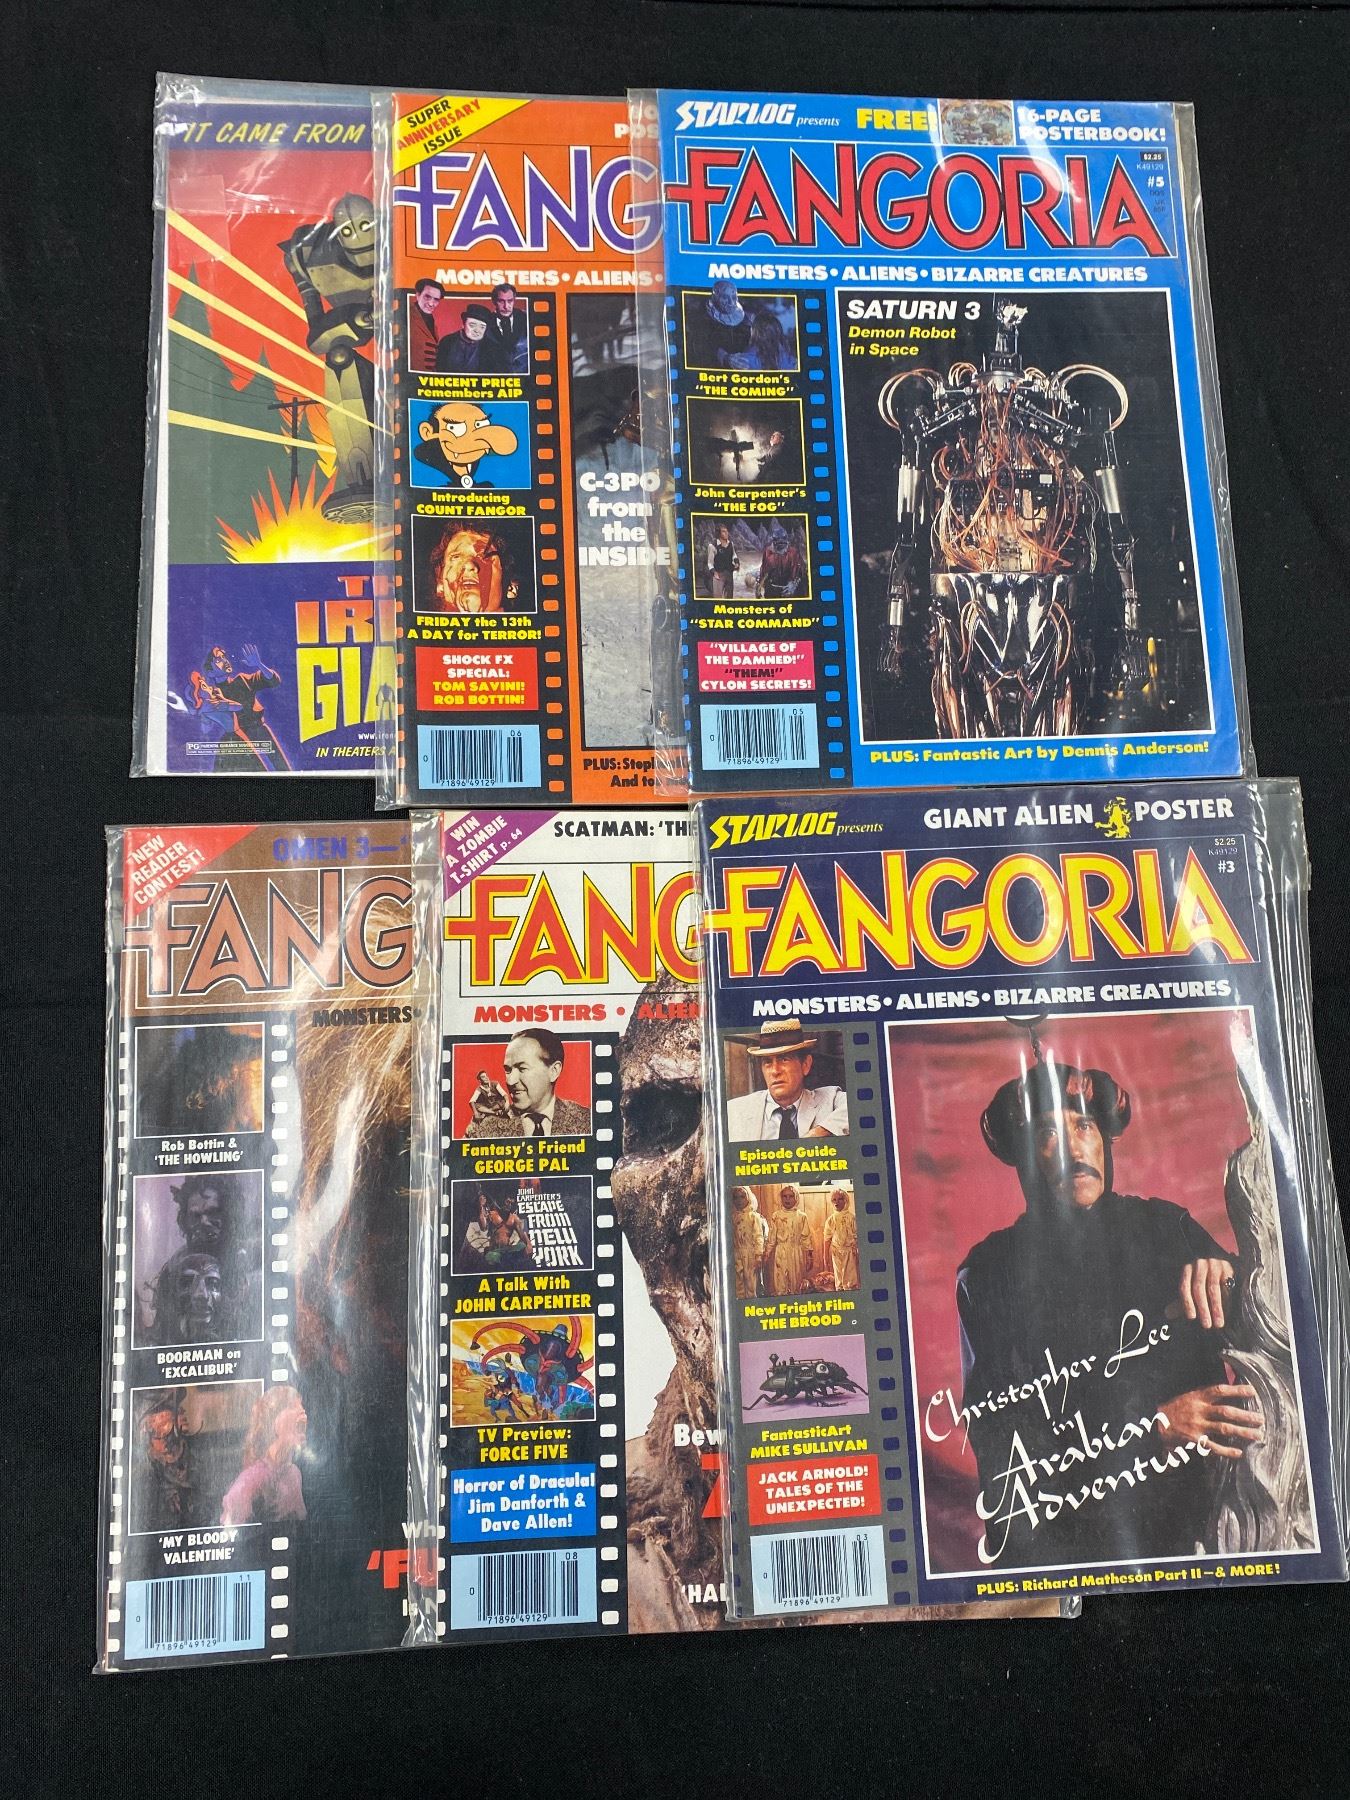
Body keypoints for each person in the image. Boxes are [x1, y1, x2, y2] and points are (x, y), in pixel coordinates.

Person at [954, 1054, 1262, 1569]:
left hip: (1209, 1533)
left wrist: (1230, 1275)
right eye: (1049, 1132)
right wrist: (1150, 1429)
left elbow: (1274, 1326)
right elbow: (1008, 1454)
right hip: (1079, 1553)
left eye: (1084, 1126)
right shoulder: (989, 1275)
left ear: (1105, 1139)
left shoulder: (1167, 1228)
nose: (1074, 1149)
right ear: (1023, 1155)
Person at [725, 1019, 848, 1141]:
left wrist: (818, 1133)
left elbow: (856, 1105)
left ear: (805, 1065)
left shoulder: (830, 1100)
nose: (775, 1071)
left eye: (784, 1059)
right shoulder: (734, 1111)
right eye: (767, 1062)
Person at [463, 1029, 591, 1139]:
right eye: (508, 1070)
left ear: (553, 1071)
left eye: (522, 1068)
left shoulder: (587, 1121)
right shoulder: (483, 1126)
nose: (510, 1081)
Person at [188, 644, 290, 773]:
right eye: (218, 660)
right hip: (238, 737)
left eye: (224, 657)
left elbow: (274, 681)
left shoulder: (241, 680)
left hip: (259, 729)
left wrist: (259, 664)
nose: (225, 660)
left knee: (282, 767)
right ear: (210, 672)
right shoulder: (212, 695)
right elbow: (206, 728)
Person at [220, 1387, 308, 1526]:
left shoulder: (294, 1474)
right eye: (292, 1406)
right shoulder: (251, 1480)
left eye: (301, 1405)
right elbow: (230, 1531)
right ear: (273, 1421)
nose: (302, 1410)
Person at [414, 400, 519, 488]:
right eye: (453, 427)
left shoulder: (490, 469)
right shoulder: (425, 471)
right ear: (428, 432)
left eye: (480, 425)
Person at [764, 1186, 813, 1295]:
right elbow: (772, 1238)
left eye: (791, 1196)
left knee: (796, 1281)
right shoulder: (776, 1216)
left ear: (796, 1198)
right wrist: (767, 1253)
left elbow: (806, 1237)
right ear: (781, 1198)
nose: (787, 1199)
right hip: (781, 1252)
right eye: (784, 1196)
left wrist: (809, 1256)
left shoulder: (801, 1216)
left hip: (796, 1252)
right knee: (780, 1281)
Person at [435, 302, 504, 374]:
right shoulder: (447, 342)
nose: (477, 330)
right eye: (472, 325)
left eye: (482, 327)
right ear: (463, 324)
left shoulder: (491, 348)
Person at [731, 1185, 770, 1299]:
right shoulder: (733, 1217)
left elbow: (759, 1237)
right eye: (736, 1197)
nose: (739, 1200)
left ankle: (752, 1302)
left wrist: (758, 1256)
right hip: (737, 1253)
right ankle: (741, 1303)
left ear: (749, 1198)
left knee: (751, 1282)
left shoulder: (753, 1216)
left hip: (750, 1254)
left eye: (742, 1197)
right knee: (738, 1283)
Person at [755, 523, 807, 598]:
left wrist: (793, 584)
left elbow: (798, 571)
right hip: (772, 589)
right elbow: (764, 571)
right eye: (778, 542)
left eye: (783, 542)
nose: (781, 544)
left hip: (789, 589)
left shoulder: (793, 553)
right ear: (774, 541)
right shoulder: (768, 552)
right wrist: (759, 587)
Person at [823, 1186, 859, 1291]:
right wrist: (825, 1257)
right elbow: (827, 1238)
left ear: (845, 1200)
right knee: (839, 1278)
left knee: (851, 1279)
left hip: (850, 1251)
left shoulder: (852, 1218)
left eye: (840, 1199)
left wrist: (857, 1251)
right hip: (836, 1252)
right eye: (834, 1200)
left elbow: (857, 1236)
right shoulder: (831, 1220)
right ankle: (840, 1290)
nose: (836, 1202)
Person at [488, 283, 528, 373]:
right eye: (501, 301)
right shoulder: (486, 321)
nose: (506, 306)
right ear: (494, 301)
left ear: (514, 300)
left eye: (510, 301)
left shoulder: (526, 317)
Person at [408, 278, 444, 370]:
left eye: (436, 299)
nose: (431, 304)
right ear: (418, 295)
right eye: (427, 297)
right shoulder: (406, 313)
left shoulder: (430, 318)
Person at [707, 524, 739, 598]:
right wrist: (714, 573)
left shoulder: (731, 544)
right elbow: (710, 563)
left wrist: (736, 562)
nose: (727, 533)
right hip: (718, 575)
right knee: (718, 598)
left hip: (729, 574)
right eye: (724, 531)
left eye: (727, 531)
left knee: (729, 598)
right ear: (719, 533)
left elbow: (734, 555)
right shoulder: (713, 546)